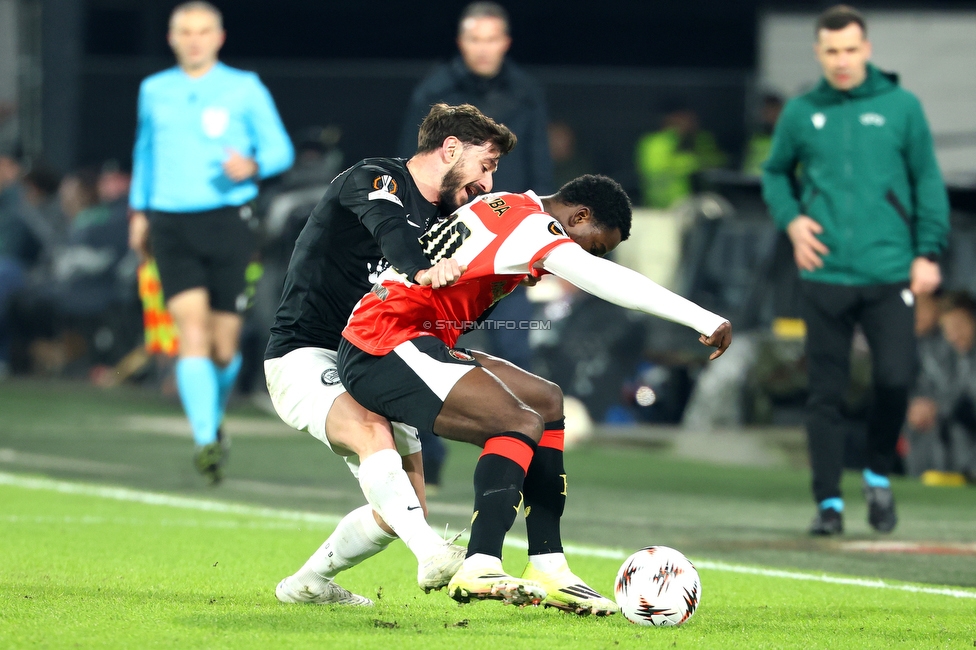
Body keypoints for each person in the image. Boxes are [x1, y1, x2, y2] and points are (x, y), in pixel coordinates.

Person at [337, 174, 731, 606]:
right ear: (578, 216)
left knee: (547, 401)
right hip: (384, 341)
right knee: (517, 421)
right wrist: (703, 319)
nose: (582, 257)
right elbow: (609, 280)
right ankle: (480, 564)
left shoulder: (510, 202)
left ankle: (548, 565)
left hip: (416, 336)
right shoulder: (532, 227)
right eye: (592, 244)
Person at [264, 103, 516, 606]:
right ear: (450, 149)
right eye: (485, 165)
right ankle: (434, 554)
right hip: (306, 352)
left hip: (373, 358)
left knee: (405, 505)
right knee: (370, 432)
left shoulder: (448, 218)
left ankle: (308, 584)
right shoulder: (375, 179)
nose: (487, 183)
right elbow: (391, 231)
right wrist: (423, 268)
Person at [762, 5, 950, 535]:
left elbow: (927, 182)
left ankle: (877, 473)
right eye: (831, 51)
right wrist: (794, 222)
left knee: (894, 380)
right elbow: (775, 173)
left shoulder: (902, 108)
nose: (841, 61)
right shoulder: (802, 111)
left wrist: (927, 252)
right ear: (819, 53)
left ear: (866, 50)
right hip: (824, 273)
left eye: (850, 50)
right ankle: (829, 504)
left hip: (890, 270)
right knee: (825, 392)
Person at [127, 1, 294, 484]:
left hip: (228, 221)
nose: (194, 39)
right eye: (185, 31)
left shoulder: (244, 87)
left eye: (203, 31)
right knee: (191, 333)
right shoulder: (154, 90)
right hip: (169, 221)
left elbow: (279, 148)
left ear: (218, 38)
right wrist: (139, 211)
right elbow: (145, 152)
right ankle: (204, 438)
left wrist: (253, 165)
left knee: (223, 347)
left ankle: (212, 419)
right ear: (172, 37)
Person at [397, 0, 555, 487]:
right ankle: (432, 455)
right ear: (462, 43)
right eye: (475, 39)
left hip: (511, 237)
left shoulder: (527, 93)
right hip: (450, 235)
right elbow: (415, 164)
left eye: (492, 39)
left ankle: (520, 448)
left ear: (504, 43)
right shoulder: (434, 92)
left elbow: (538, 165)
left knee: (514, 348)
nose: (484, 48)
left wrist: (544, 233)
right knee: (436, 342)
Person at [906, 292, 976, 484]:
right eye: (949, 328)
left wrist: (939, 408)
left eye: (959, 326)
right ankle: (922, 480)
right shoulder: (963, 356)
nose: (954, 334)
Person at [634, 104, 727, 209]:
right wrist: (692, 162)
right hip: (660, 205)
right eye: (683, 119)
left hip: (695, 204)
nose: (688, 123)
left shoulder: (700, 139)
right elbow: (657, 168)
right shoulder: (655, 142)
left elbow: (719, 160)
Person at [741, 93, 784, 176]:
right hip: (753, 184)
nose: (772, 115)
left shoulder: (791, 140)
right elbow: (747, 168)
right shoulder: (755, 139)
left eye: (775, 110)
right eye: (768, 111)